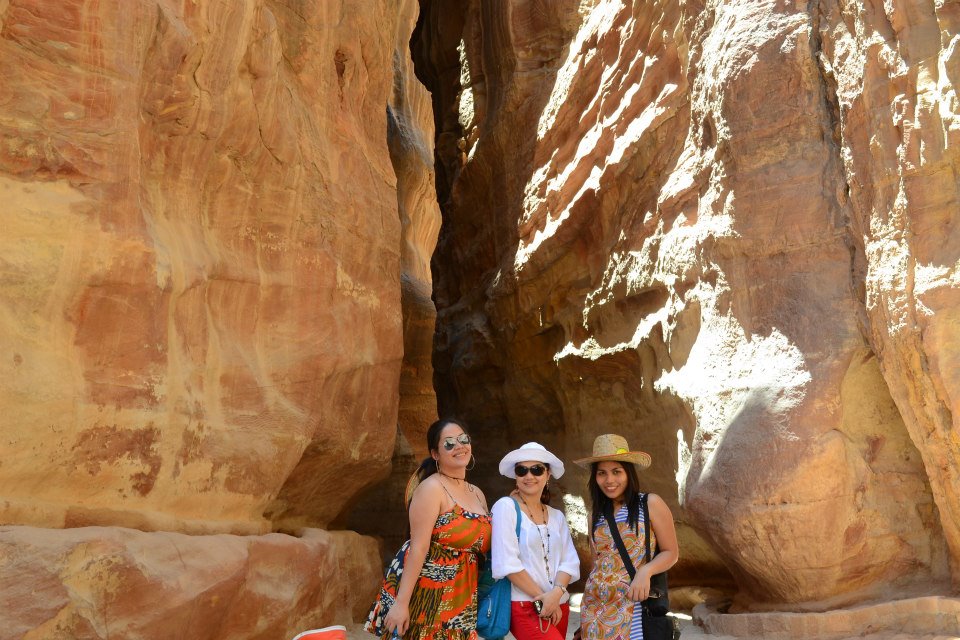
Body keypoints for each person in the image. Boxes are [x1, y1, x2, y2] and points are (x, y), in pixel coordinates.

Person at [366, 419, 491, 640]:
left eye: (463, 439)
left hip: (462, 599)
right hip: (427, 598)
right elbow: (418, 547)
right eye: (449, 443)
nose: (460, 446)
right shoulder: (432, 488)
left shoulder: (477, 493)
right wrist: (401, 604)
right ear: (435, 454)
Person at [575, 434, 679, 640]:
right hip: (594, 610)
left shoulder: (649, 504)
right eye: (602, 473)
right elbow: (597, 563)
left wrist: (646, 572)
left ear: (629, 473)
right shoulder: (594, 514)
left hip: (633, 607)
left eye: (617, 472)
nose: (609, 480)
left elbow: (671, 553)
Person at [490, 443, 580, 640]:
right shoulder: (505, 507)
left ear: (548, 474)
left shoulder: (557, 516)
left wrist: (555, 595)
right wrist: (545, 600)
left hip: (559, 605)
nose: (529, 476)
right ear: (515, 476)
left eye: (536, 469)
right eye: (521, 470)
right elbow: (507, 563)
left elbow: (570, 561)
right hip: (525, 605)